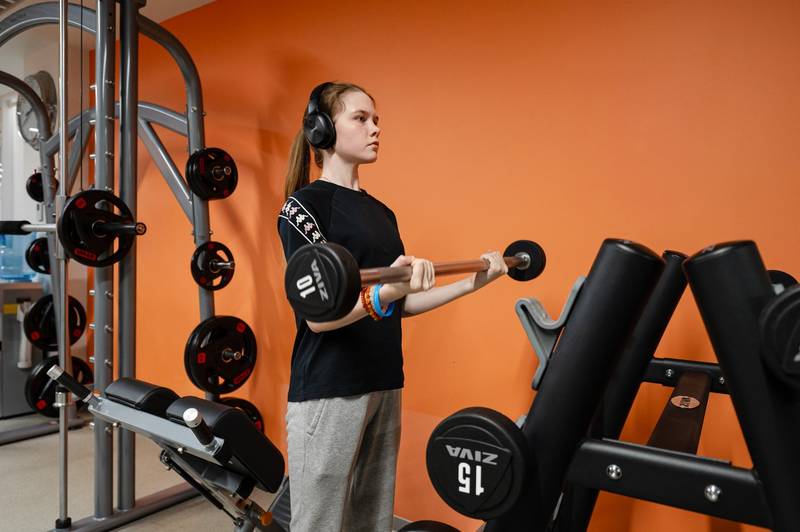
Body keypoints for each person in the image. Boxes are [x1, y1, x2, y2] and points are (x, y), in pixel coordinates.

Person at [277, 81, 508, 532]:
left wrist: (471, 284)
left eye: (376, 120)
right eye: (360, 118)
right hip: (330, 388)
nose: (375, 129)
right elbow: (318, 319)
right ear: (322, 130)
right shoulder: (302, 209)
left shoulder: (383, 214)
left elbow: (403, 303)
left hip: (385, 381)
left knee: (373, 520)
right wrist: (382, 295)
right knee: (319, 523)